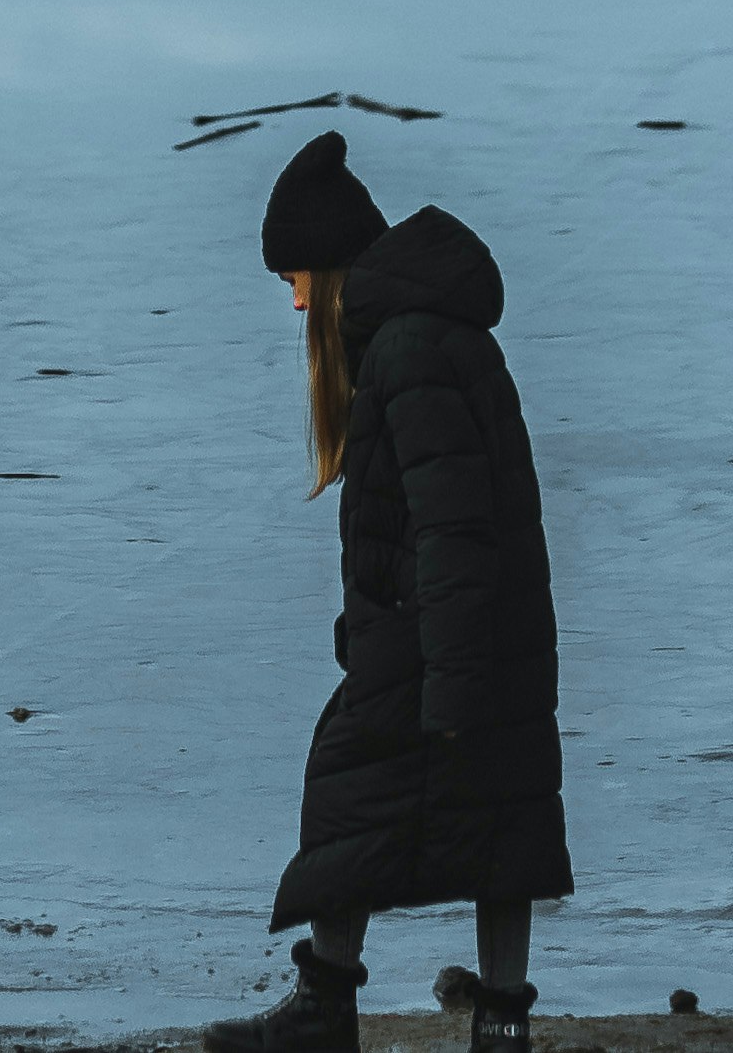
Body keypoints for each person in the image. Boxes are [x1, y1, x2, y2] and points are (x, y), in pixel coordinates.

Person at [203, 130, 571, 1053]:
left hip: (447, 634)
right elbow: (426, 517)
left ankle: (337, 1014)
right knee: (491, 811)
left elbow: (453, 522)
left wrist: (447, 671)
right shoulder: (416, 336)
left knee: (361, 793)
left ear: (328, 269)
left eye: (294, 277)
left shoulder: (406, 348)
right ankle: (489, 1020)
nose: (292, 300)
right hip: (460, 628)